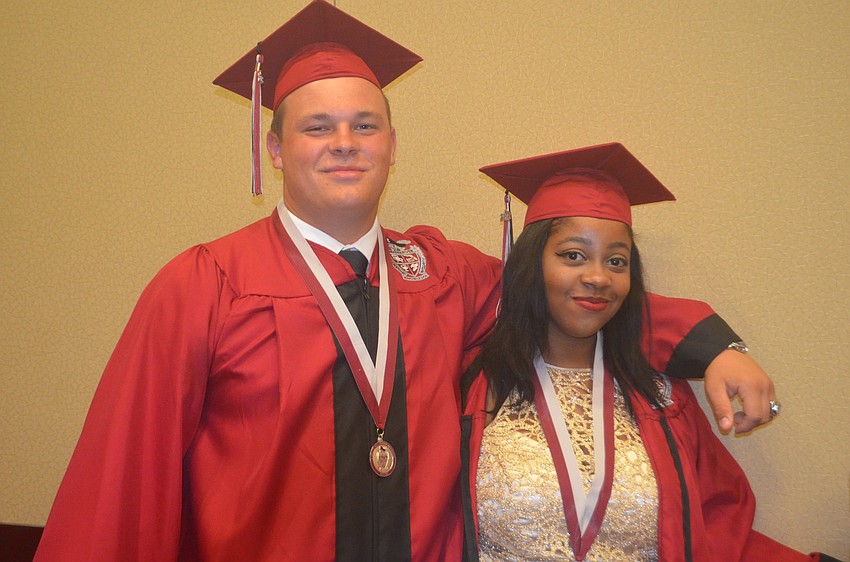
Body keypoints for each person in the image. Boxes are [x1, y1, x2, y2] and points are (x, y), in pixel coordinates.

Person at [35, 2, 778, 561]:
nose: (345, 145)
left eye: (365, 125)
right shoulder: (205, 284)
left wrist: (715, 349)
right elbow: (123, 479)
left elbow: (574, 295)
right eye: (317, 127)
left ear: (394, 146)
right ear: (275, 147)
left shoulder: (440, 275)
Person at [460, 143, 835, 562]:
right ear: (531, 264)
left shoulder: (660, 397)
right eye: (573, 255)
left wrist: (721, 350)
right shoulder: (475, 385)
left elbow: (720, 529)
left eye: (617, 261)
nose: (599, 277)